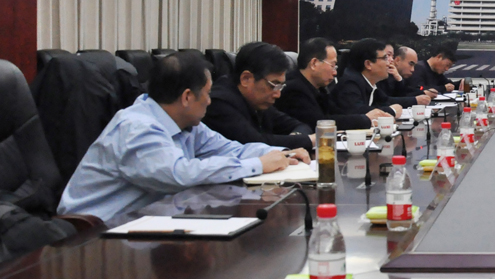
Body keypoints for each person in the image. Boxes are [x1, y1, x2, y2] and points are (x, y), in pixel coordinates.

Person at [58, 52, 308, 223]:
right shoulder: (137, 127)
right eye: (207, 94)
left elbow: (230, 149)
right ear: (187, 97)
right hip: (93, 232)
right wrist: (258, 164)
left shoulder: (187, 123)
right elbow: (179, 174)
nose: (210, 101)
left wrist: (279, 154)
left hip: (145, 222)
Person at [202, 42, 315, 151]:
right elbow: (255, 144)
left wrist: (295, 138)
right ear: (246, 79)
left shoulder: (258, 102)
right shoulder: (218, 104)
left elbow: (300, 126)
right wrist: (307, 140)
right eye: (273, 85)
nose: (278, 94)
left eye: (280, 86)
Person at [277, 37, 392, 130]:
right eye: (332, 65)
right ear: (314, 63)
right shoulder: (294, 90)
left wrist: (370, 116)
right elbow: (319, 123)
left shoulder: (319, 89)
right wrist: (365, 119)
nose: (335, 72)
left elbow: (338, 113)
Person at [330, 38, 425, 116]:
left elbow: (385, 101)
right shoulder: (350, 83)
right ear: (368, 64)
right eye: (385, 58)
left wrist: (414, 100)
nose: (389, 63)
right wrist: (392, 110)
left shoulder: (369, 82)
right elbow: (357, 111)